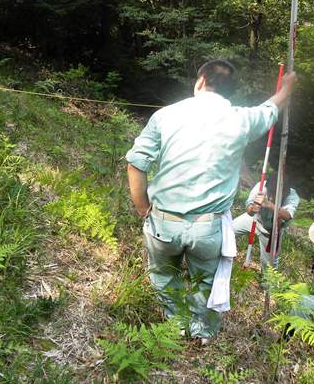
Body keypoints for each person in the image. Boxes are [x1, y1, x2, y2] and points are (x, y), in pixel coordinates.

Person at [125, 59, 297, 342]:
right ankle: (202, 333)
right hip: (209, 227)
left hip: (163, 223)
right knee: (207, 282)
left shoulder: (166, 115)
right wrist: (287, 88)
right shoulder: (241, 119)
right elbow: (270, 109)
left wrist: (144, 209)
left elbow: (136, 164)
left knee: (165, 277)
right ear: (230, 91)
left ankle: (175, 326)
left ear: (201, 80)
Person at [232, 172, 300, 271]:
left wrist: (269, 204)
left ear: (286, 190)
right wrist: (253, 208)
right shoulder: (261, 187)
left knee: (269, 266)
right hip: (254, 219)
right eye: (272, 191)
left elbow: (287, 216)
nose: (273, 195)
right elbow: (249, 210)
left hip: (272, 231)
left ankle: (267, 285)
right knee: (228, 231)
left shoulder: (292, 196)